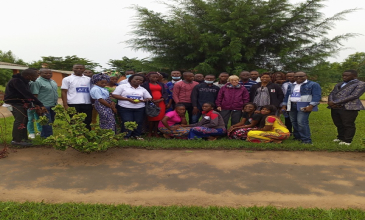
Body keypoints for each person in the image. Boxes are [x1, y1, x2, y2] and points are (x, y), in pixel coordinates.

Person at [4, 68, 47, 146]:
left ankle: (23, 139)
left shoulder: (25, 81)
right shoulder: (16, 81)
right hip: (14, 103)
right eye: (35, 76)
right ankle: (16, 140)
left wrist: (34, 104)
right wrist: (40, 104)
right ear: (29, 76)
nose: (37, 78)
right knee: (20, 120)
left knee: (24, 120)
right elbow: (27, 94)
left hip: (21, 103)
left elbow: (27, 95)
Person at [281, 71, 321, 144]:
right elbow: (287, 96)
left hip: (304, 105)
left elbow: (317, 96)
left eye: (301, 76)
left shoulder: (313, 84)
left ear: (306, 76)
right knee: (294, 122)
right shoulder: (291, 85)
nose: (298, 78)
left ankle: (306, 140)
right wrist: (284, 106)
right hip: (292, 105)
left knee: (301, 122)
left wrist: (311, 106)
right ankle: (298, 137)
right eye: (296, 76)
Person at [328, 70, 365, 146]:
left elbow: (354, 95)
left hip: (349, 107)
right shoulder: (340, 84)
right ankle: (340, 137)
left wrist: (335, 102)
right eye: (343, 75)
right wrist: (330, 101)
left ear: (354, 76)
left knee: (348, 124)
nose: (344, 77)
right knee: (338, 123)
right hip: (335, 107)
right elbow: (332, 93)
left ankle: (347, 140)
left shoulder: (361, 84)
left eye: (347, 76)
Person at [112, 74, 152, 140]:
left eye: (140, 80)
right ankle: (125, 136)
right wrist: (128, 99)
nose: (138, 81)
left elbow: (149, 98)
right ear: (131, 79)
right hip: (125, 107)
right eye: (136, 79)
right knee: (127, 121)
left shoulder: (142, 89)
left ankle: (137, 135)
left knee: (138, 122)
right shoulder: (122, 86)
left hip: (139, 108)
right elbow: (115, 95)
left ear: (142, 82)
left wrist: (142, 100)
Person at [61, 64, 93, 130]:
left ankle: (87, 136)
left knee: (87, 120)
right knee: (74, 121)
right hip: (73, 103)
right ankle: (76, 137)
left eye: (81, 68)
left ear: (84, 69)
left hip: (87, 103)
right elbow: (64, 91)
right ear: (72, 69)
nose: (79, 70)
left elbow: (92, 91)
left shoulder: (89, 79)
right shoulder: (67, 79)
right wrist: (65, 105)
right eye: (76, 68)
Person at [30, 68, 58, 138]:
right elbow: (34, 95)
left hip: (53, 104)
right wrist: (37, 106)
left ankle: (44, 135)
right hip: (43, 105)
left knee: (51, 121)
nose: (48, 74)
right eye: (45, 73)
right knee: (47, 122)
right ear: (40, 73)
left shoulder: (52, 81)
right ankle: (49, 137)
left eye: (50, 73)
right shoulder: (37, 82)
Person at [141, 72, 168, 137]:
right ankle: (150, 132)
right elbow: (143, 93)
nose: (155, 78)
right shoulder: (145, 84)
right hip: (150, 103)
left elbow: (165, 93)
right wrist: (152, 101)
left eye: (156, 77)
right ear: (149, 77)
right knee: (151, 117)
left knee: (158, 118)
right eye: (153, 77)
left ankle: (156, 132)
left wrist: (160, 100)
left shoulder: (161, 84)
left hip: (160, 103)